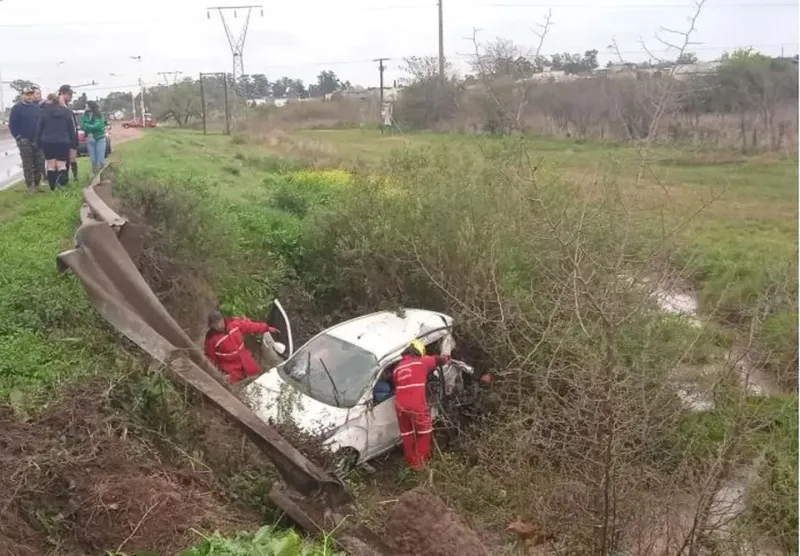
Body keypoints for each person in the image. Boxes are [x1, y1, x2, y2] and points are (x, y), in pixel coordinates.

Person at [392, 340, 450, 471]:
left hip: (400, 405)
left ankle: (411, 462)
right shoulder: (422, 362)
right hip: (416, 404)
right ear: (419, 352)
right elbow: (438, 360)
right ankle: (419, 465)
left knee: (407, 434)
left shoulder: (397, 369)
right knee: (425, 432)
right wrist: (447, 358)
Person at [204, 310, 280, 385]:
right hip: (231, 370)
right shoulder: (211, 340)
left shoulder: (234, 324)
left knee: (259, 380)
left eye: (220, 322)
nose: (219, 325)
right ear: (212, 326)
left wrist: (266, 328)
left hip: (246, 359)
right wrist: (220, 374)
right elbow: (212, 360)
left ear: (222, 319)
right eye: (215, 325)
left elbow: (250, 326)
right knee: (237, 390)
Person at [36, 91, 76, 190]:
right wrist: (73, 142)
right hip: (63, 141)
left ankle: (53, 188)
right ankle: (62, 184)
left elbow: (39, 129)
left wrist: (38, 142)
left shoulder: (44, 112)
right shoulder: (66, 112)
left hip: (48, 141)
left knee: (51, 165)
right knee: (61, 164)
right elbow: (71, 128)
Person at [8, 86, 44, 192]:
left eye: (31, 94)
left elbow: (41, 122)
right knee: (28, 163)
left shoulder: (36, 107)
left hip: (37, 139)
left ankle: (37, 184)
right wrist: (18, 137)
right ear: (22, 95)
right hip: (24, 140)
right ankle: (30, 186)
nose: (29, 96)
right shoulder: (17, 108)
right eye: (27, 94)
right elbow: (12, 124)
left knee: (39, 162)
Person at [81, 101, 107, 174]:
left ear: (90, 106)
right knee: (93, 160)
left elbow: (98, 126)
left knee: (101, 160)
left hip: (100, 138)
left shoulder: (98, 114)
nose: (85, 108)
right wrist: (89, 126)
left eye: (86, 106)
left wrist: (87, 126)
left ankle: (103, 174)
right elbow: (82, 126)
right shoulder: (84, 115)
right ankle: (95, 176)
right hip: (90, 139)